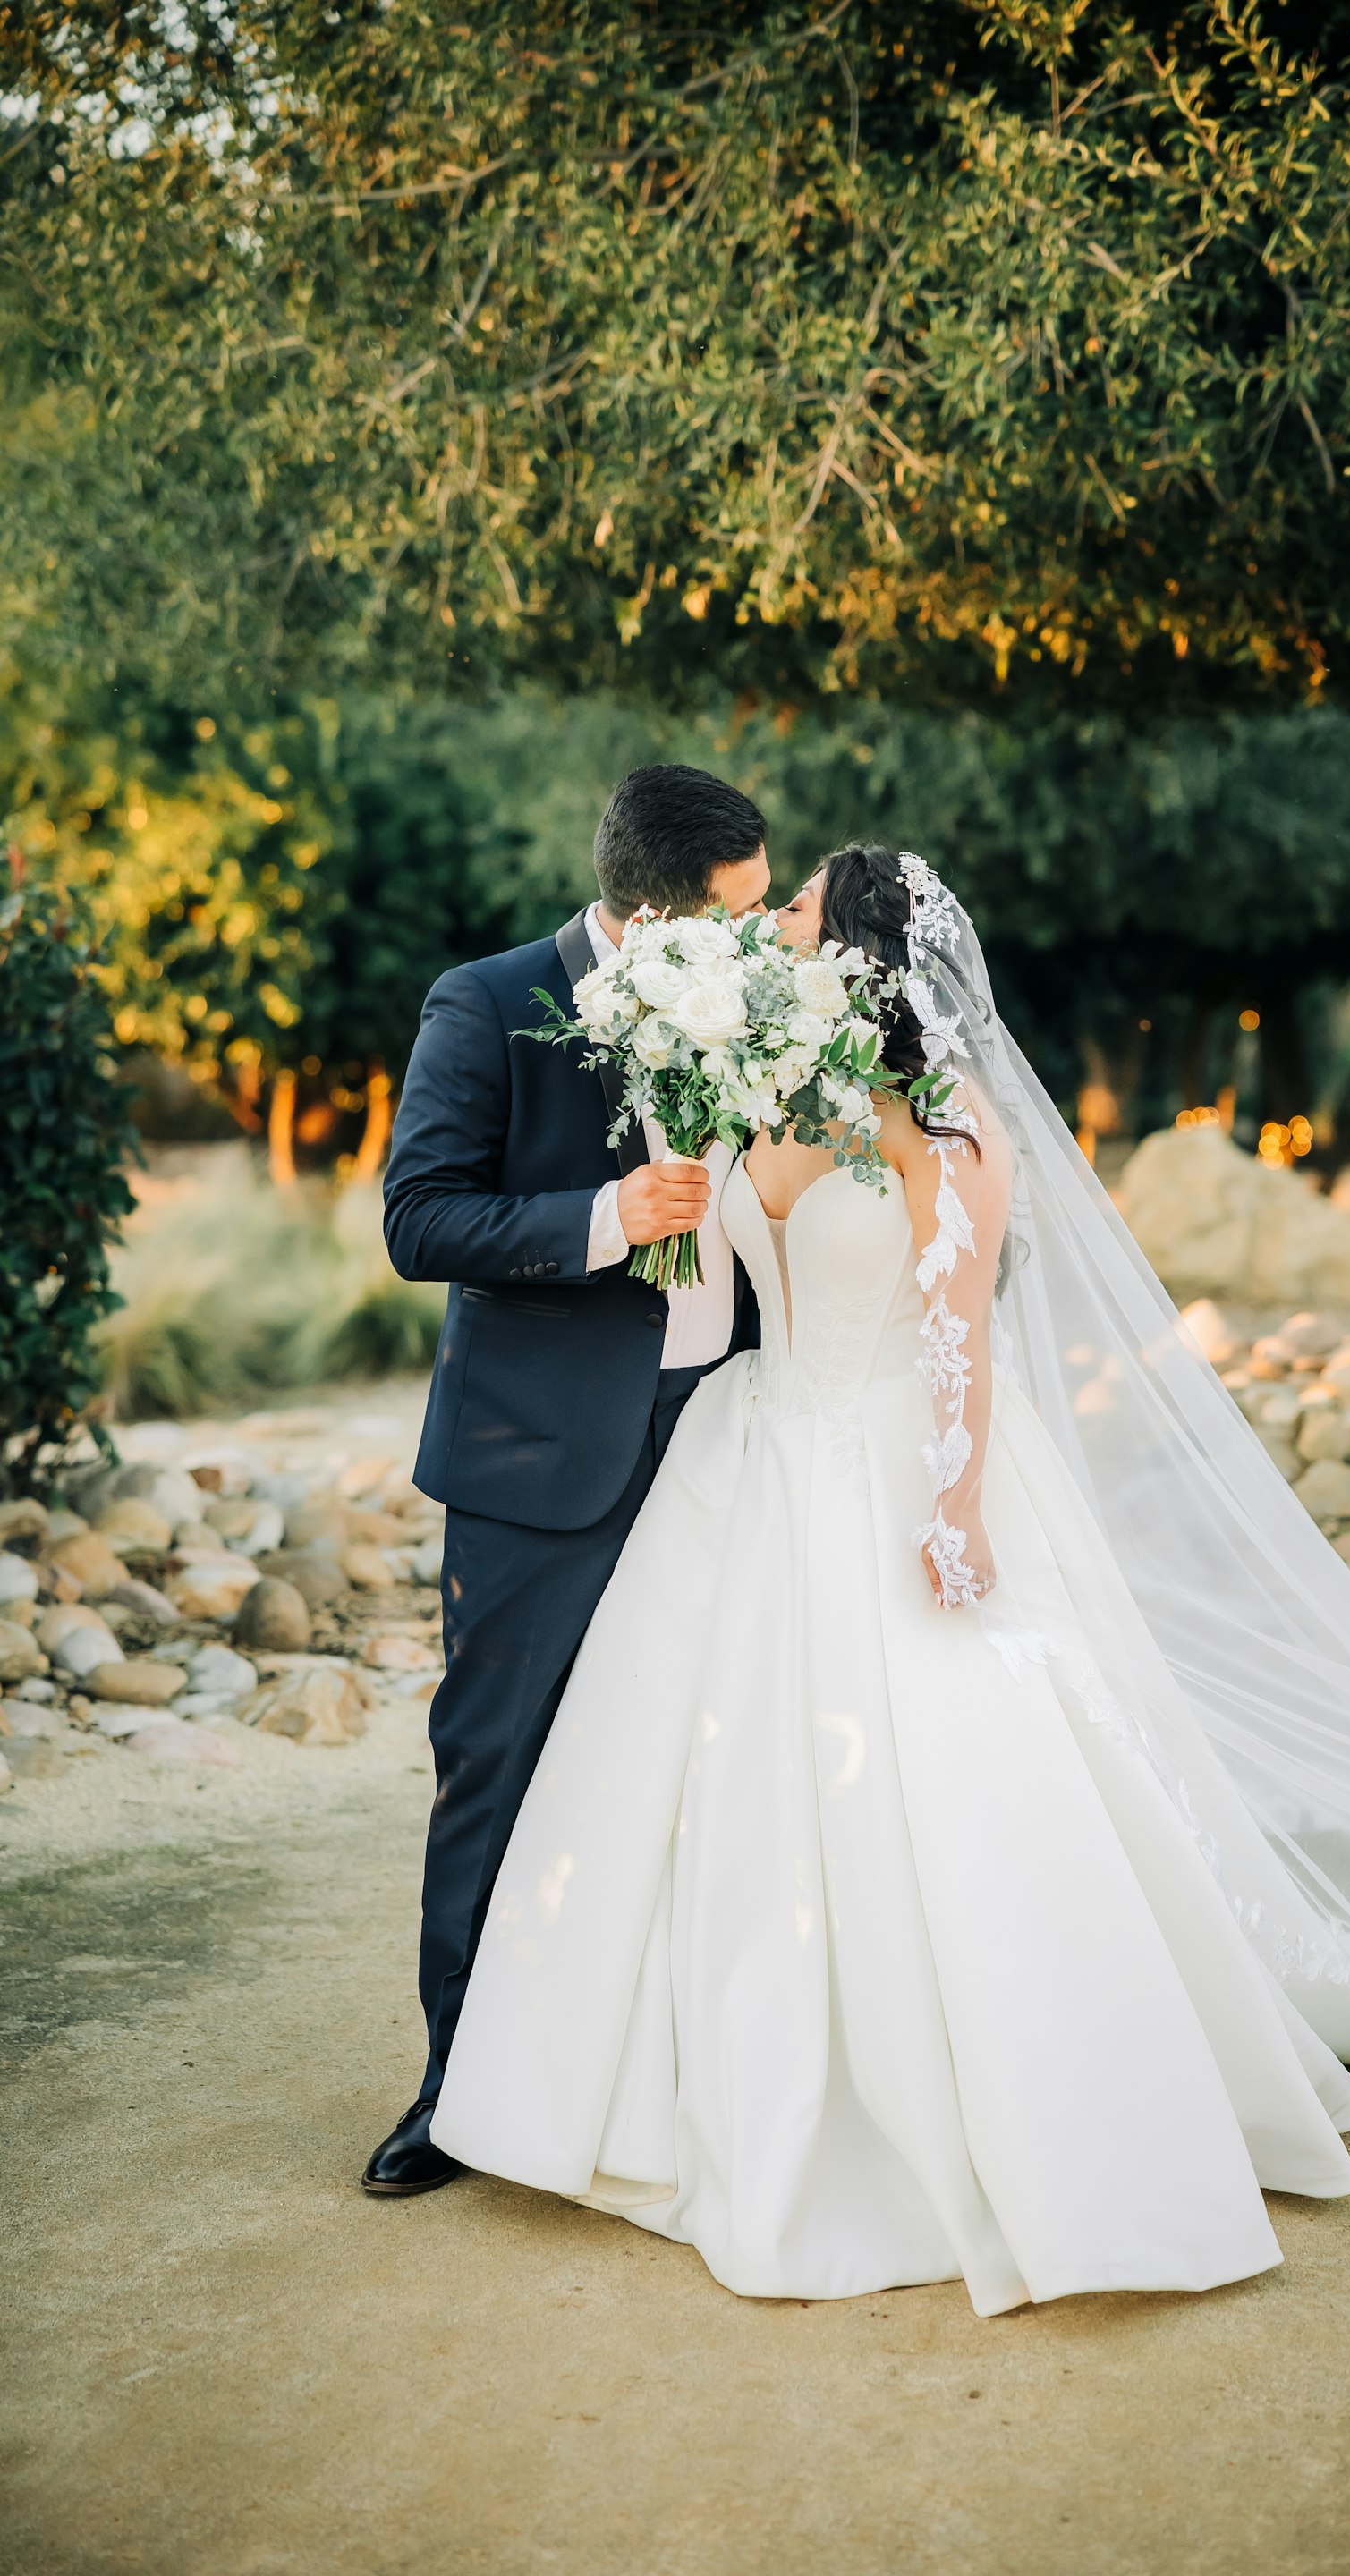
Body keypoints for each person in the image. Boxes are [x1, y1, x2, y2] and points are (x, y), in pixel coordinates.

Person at [429, 844, 1350, 2311]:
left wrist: (958, 1497)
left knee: (964, 1783)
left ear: (856, 942)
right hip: (752, 1467)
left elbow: (958, 1325)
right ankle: (663, 2086)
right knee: (705, 1783)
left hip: (900, 1464)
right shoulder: (764, 1086)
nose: (764, 924)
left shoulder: (950, 1121)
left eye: (791, 908)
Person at [361, 765, 768, 2197]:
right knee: (500, 1760)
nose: (758, 936)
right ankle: (456, 2090)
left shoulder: (762, 1000)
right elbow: (419, 1216)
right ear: (652, 916)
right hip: (545, 1455)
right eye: (737, 914)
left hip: (740, 1429)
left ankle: (662, 2077)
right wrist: (604, 1216)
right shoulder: (486, 1002)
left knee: (710, 1760)